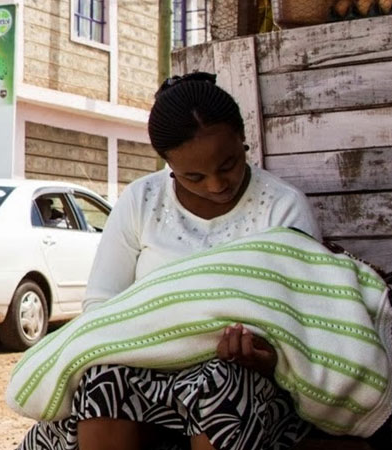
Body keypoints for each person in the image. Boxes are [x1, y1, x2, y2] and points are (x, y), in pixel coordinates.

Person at [18, 72, 321, 450]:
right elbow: (101, 308)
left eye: (228, 165)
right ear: (168, 165)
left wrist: (266, 356)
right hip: (147, 369)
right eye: (194, 176)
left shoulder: (281, 207)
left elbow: (305, 323)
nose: (216, 185)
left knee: (221, 386)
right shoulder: (142, 202)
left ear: (244, 140)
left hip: (242, 380)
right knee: (103, 380)